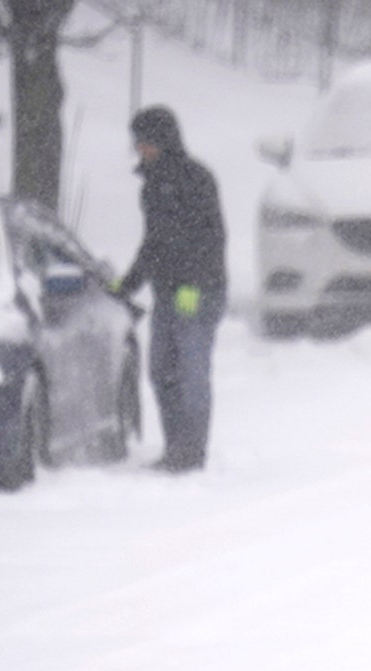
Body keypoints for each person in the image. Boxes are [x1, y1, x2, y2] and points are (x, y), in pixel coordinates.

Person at [114, 105, 225, 473]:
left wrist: (194, 285)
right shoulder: (151, 188)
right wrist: (129, 283)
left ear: (163, 140)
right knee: (162, 372)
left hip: (200, 292)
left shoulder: (196, 179)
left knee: (192, 373)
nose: (140, 148)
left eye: (145, 141)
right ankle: (175, 446)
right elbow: (155, 243)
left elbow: (208, 238)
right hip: (167, 293)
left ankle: (191, 453)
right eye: (138, 142)